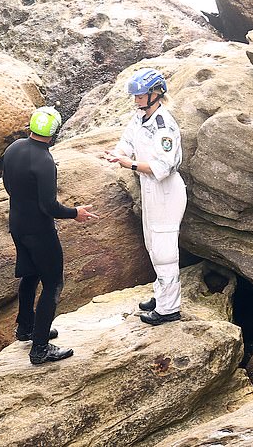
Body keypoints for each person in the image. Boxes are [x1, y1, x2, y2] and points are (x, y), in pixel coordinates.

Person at [2, 106, 98, 365]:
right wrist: (75, 212)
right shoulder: (44, 161)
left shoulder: (13, 149)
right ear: (54, 132)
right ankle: (40, 348)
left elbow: (8, 185)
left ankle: (26, 329)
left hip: (18, 224)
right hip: (39, 231)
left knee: (30, 276)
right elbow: (49, 207)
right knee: (53, 284)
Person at [105, 68, 187, 326]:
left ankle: (169, 309)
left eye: (141, 95)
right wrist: (117, 154)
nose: (137, 99)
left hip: (166, 191)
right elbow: (127, 142)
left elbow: (164, 167)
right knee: (152, 244)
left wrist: (129, 164)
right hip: (150, 190)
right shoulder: (140, 118)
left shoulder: (164, 125)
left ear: (156, 93)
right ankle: (162, 295)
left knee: (165, 251)